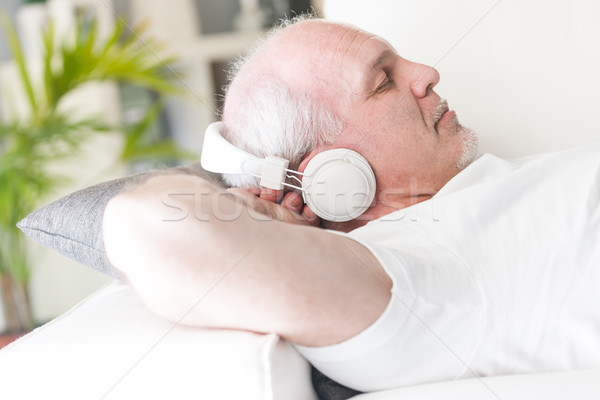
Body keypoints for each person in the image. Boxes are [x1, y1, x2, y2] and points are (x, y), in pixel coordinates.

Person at [103, 17, 600, 392]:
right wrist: (263, 218)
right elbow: (143, 226)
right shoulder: (409, 268)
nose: (428, 73)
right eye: (383, 81)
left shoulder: (481, 197)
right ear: (330, 176)